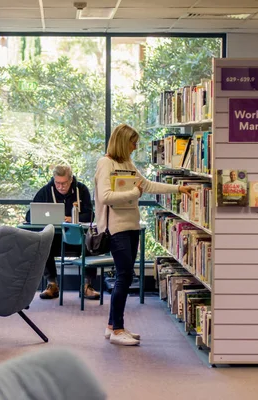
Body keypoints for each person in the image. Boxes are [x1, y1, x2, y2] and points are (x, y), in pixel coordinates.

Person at [94, 124, 194, 346]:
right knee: (124, 276)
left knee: (126, 275)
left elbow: (147, 185)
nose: (135, 146)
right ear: (122, 142)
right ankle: (117, 329)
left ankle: (113, 326)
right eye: (133, 142)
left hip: (132, 226)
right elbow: (105, 196)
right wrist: (133, 193)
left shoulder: (127, 163)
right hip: (116, 228)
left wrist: (178, 189)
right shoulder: (105, 163)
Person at [26, 165, 100, 301]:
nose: (60, 186)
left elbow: (90, 216)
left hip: (78, 240)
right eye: (57, 183)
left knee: (91, 242)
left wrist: (71, 219)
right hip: (55, 241)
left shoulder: (81, 190)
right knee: (43, 243)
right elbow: (29, 216)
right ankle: (52, 284)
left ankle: (87, 286)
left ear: (71, 179)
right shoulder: (46, 191)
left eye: (64, 183)